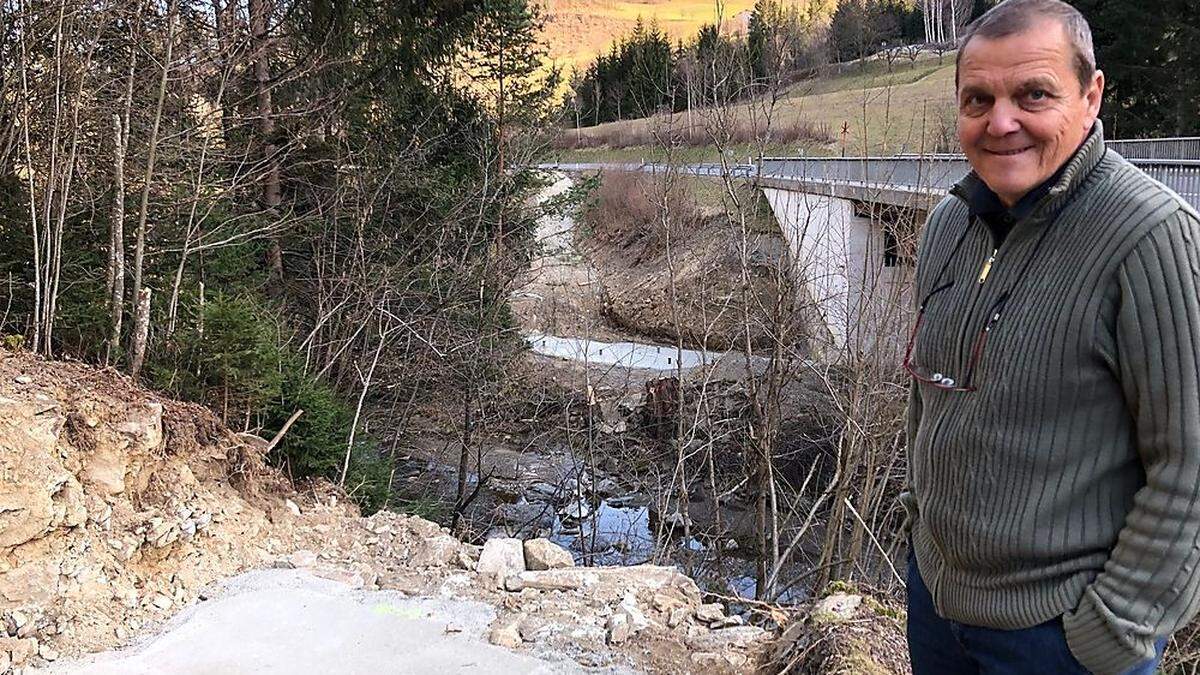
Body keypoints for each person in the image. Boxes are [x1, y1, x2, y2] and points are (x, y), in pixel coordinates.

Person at [901, 0, 1200, 673]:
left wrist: (1114, 631)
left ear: (1091, 96)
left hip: (1058, 638)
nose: (1000, 121)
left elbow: (1190, 463)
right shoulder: (948, 226)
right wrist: (917, 526)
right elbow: (930, 398)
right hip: (938, 611)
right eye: (978, 98)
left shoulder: (1151, 238)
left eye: (1033, 94)